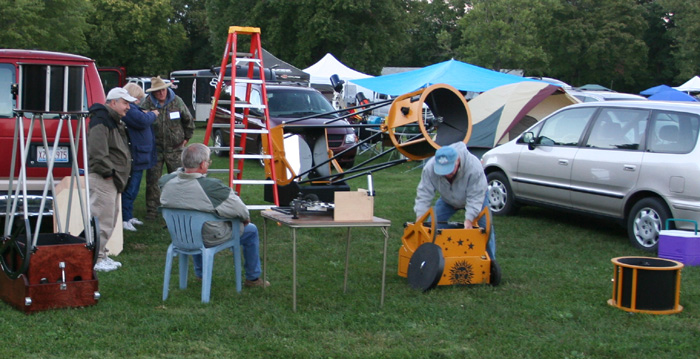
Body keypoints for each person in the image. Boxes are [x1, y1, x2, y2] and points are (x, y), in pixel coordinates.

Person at [159, 143, 270, 288]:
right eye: (209, 161)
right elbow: (242, 211)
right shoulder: (212, 187)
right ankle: (253, 278)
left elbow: (176, 174)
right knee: (251, 230)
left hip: (180, 235)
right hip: (209, 236)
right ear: (203, 164)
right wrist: (244, 220)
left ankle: (200, 274)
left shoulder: (165, 182)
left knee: (196, 226)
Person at [414, 142, 496, 259]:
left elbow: (476, 196)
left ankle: (490, 264)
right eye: (443, 170)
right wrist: (420, 217)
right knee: (428, 227)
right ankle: (427, 260)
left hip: (476, 197)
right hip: (448, 199)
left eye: (449, 169)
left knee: (485, 230)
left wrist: (469, 219)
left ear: (458, 161)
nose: (447, 174)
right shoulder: (430, 168)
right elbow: (424, 194)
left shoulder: (474, 167)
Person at [87, 87, 135, 272]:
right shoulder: (101, 120)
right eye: (125, 103)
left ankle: (101, 254)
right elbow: (98, 153)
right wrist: (110, 174)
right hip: (103, 179)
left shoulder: (113, 121)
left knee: (109, 219)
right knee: (101, 219)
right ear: (113, 102)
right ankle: (95, 259)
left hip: (110, 180)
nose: (128, 107)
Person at [140, 76, 194, 220]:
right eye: (158, 91)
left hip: (175, 148)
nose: (161, 93)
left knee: (178, 179)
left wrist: (187, 137)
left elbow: (188, 120)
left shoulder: (177, 101)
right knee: (153, 180)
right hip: (155, 149)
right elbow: (140, 121)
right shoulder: (147, 103)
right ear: (153, 92)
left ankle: (178, 208)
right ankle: (152, 210)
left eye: (163, 90)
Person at [121, 83, 159, 232]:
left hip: (141, 155)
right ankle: (124, 218)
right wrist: (153, 114)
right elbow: (142, 121)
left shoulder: (134, 109)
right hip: (136, 155)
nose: (139, 101)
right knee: (130, 188)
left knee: (134, 188)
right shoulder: (130, 110)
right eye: (138, 98)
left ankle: (128, 215)